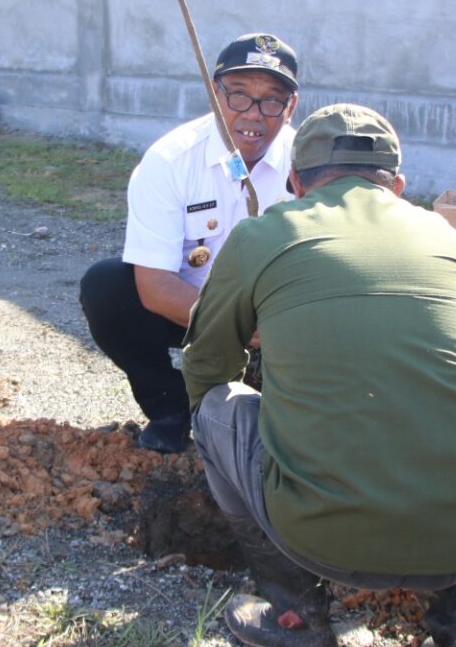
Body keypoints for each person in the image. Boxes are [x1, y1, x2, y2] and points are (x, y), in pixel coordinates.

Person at [181, 103, 456, 647]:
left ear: (295, 183)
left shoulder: (263, 233)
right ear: (397, 185)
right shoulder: (451, 240)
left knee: (214, 408)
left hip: (320, 537)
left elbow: (207, 365)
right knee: (446, 409)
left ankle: (297, 614)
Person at [80, 32, 298, 453]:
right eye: (237, 95)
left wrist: (272, 331)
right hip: (191, 310)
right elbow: (155, 286)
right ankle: (171, 408)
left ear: (291, 107)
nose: (253, 114)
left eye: (271, 100)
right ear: (214, 94)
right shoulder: (170, 161)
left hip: (278, 321)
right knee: (106, 288)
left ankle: (277, 406)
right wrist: (236, 328)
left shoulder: (306, 162)